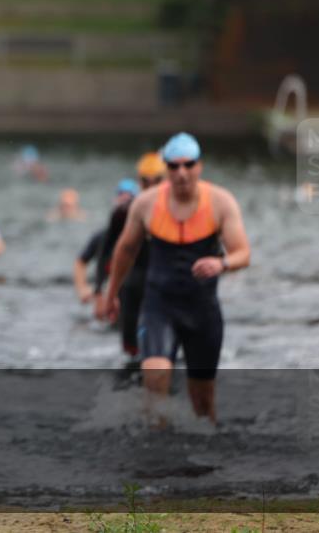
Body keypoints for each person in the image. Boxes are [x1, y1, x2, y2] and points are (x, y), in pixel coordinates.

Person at [101, 133, 250, 422]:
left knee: (203, 404)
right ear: (166, 169)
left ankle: (205, 459)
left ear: (199, 166)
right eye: (174, 166)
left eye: (188, 165)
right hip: (159, 308)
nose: (181, 173)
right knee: (155, 386)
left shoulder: (220, 202)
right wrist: (111, 296)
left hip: (202, 313)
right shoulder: (146, 204)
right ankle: (157, 456)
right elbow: (124, 251)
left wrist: (223, 263)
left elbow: (243, 253)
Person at [93, 154, 167, 361]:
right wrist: (101, 291)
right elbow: (105, 251)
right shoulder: (123, 212)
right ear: (139, 180)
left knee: (163, 351)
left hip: (164, 286)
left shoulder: (178, 210)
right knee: (131, 351)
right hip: (131, 284)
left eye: (157, 180)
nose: (151, 186)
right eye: (145, 181)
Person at [74, 179, 138, 306]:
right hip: (106, 296)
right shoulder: (102, 237)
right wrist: (82, 289)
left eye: (129, 199)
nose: (124, 203)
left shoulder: (143, 238)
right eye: (121, 197)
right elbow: (80, 262)